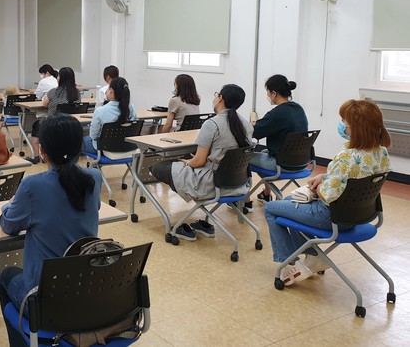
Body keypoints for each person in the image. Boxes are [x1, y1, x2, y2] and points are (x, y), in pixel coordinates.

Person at [0, 114, 102, 347]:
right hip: (86, 290)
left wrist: (8, 206)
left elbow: (8, 225)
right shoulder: (94, 177)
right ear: (79, 147)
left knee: (5, 277)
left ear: (41, 149)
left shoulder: (32, 186)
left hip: (45, 300)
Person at [264, 99, 391, 286]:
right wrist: (325, 177)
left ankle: (289, 262)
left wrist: (316, 188)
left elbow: (327, 196)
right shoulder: (381, 153)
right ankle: (313, 256)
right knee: (291, 200)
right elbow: (355, 178)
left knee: (270, 208)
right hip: (359, 216)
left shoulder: (347, 156)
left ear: (355, 127)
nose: (342, 125)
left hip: (330, 217)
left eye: (344, 121)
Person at [150, 84, 253, 241]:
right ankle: (203, 222)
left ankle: (178, 226)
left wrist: (188, 162)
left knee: (158, 167)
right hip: (239, 184)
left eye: (216, 94)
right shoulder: (246, 124)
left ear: (220, 98)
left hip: (212, 184)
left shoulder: (212, 124)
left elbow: (198, 162)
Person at [251, 75, 308, 203]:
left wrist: (252, 125)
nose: (267, 95)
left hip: (283, 164)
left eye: (267, 92)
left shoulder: (277, 113)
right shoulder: (298, 108)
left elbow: (255, 131)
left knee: (243, 159)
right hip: (302, 161)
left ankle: (244, 201)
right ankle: (266, 194)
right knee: (264, 152)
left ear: (273, 93)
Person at [29, 67, 80, 164]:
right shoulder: (76, 93)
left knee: (36, 125)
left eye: (59, 76)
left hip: (53, 125)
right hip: (70, 124)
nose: (57, 77)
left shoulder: (54, 91)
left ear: (61, 78)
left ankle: (36, 155)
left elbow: (45, 104)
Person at [83, 77, 137, 155]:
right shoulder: (132, 108)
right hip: (128, 147)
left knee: (79, 141)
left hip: (103, 149)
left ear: (111, 91)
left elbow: (93, 136)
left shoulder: (100, 111)